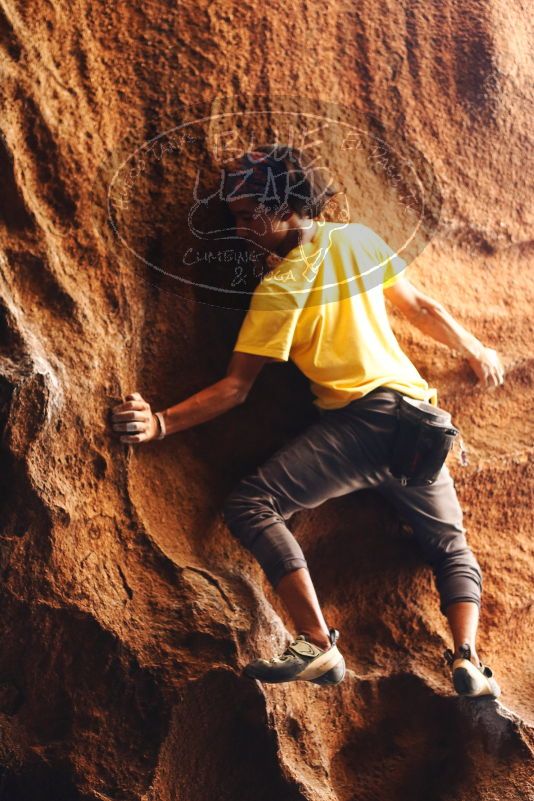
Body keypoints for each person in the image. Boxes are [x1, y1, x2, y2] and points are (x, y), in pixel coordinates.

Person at [110, 145, 505, 697]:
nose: (242, 227)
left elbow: (235, 388)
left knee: (251, 505)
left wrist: (161, 424)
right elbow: (421, 307)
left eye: (251, 214)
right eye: (235, 218)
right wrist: (475, 350)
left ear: (286, 202)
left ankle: (317, 643)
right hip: (423, 425)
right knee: (450, 547)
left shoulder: (278, 289)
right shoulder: (357, 240)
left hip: (363, 424)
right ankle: (468, 660)